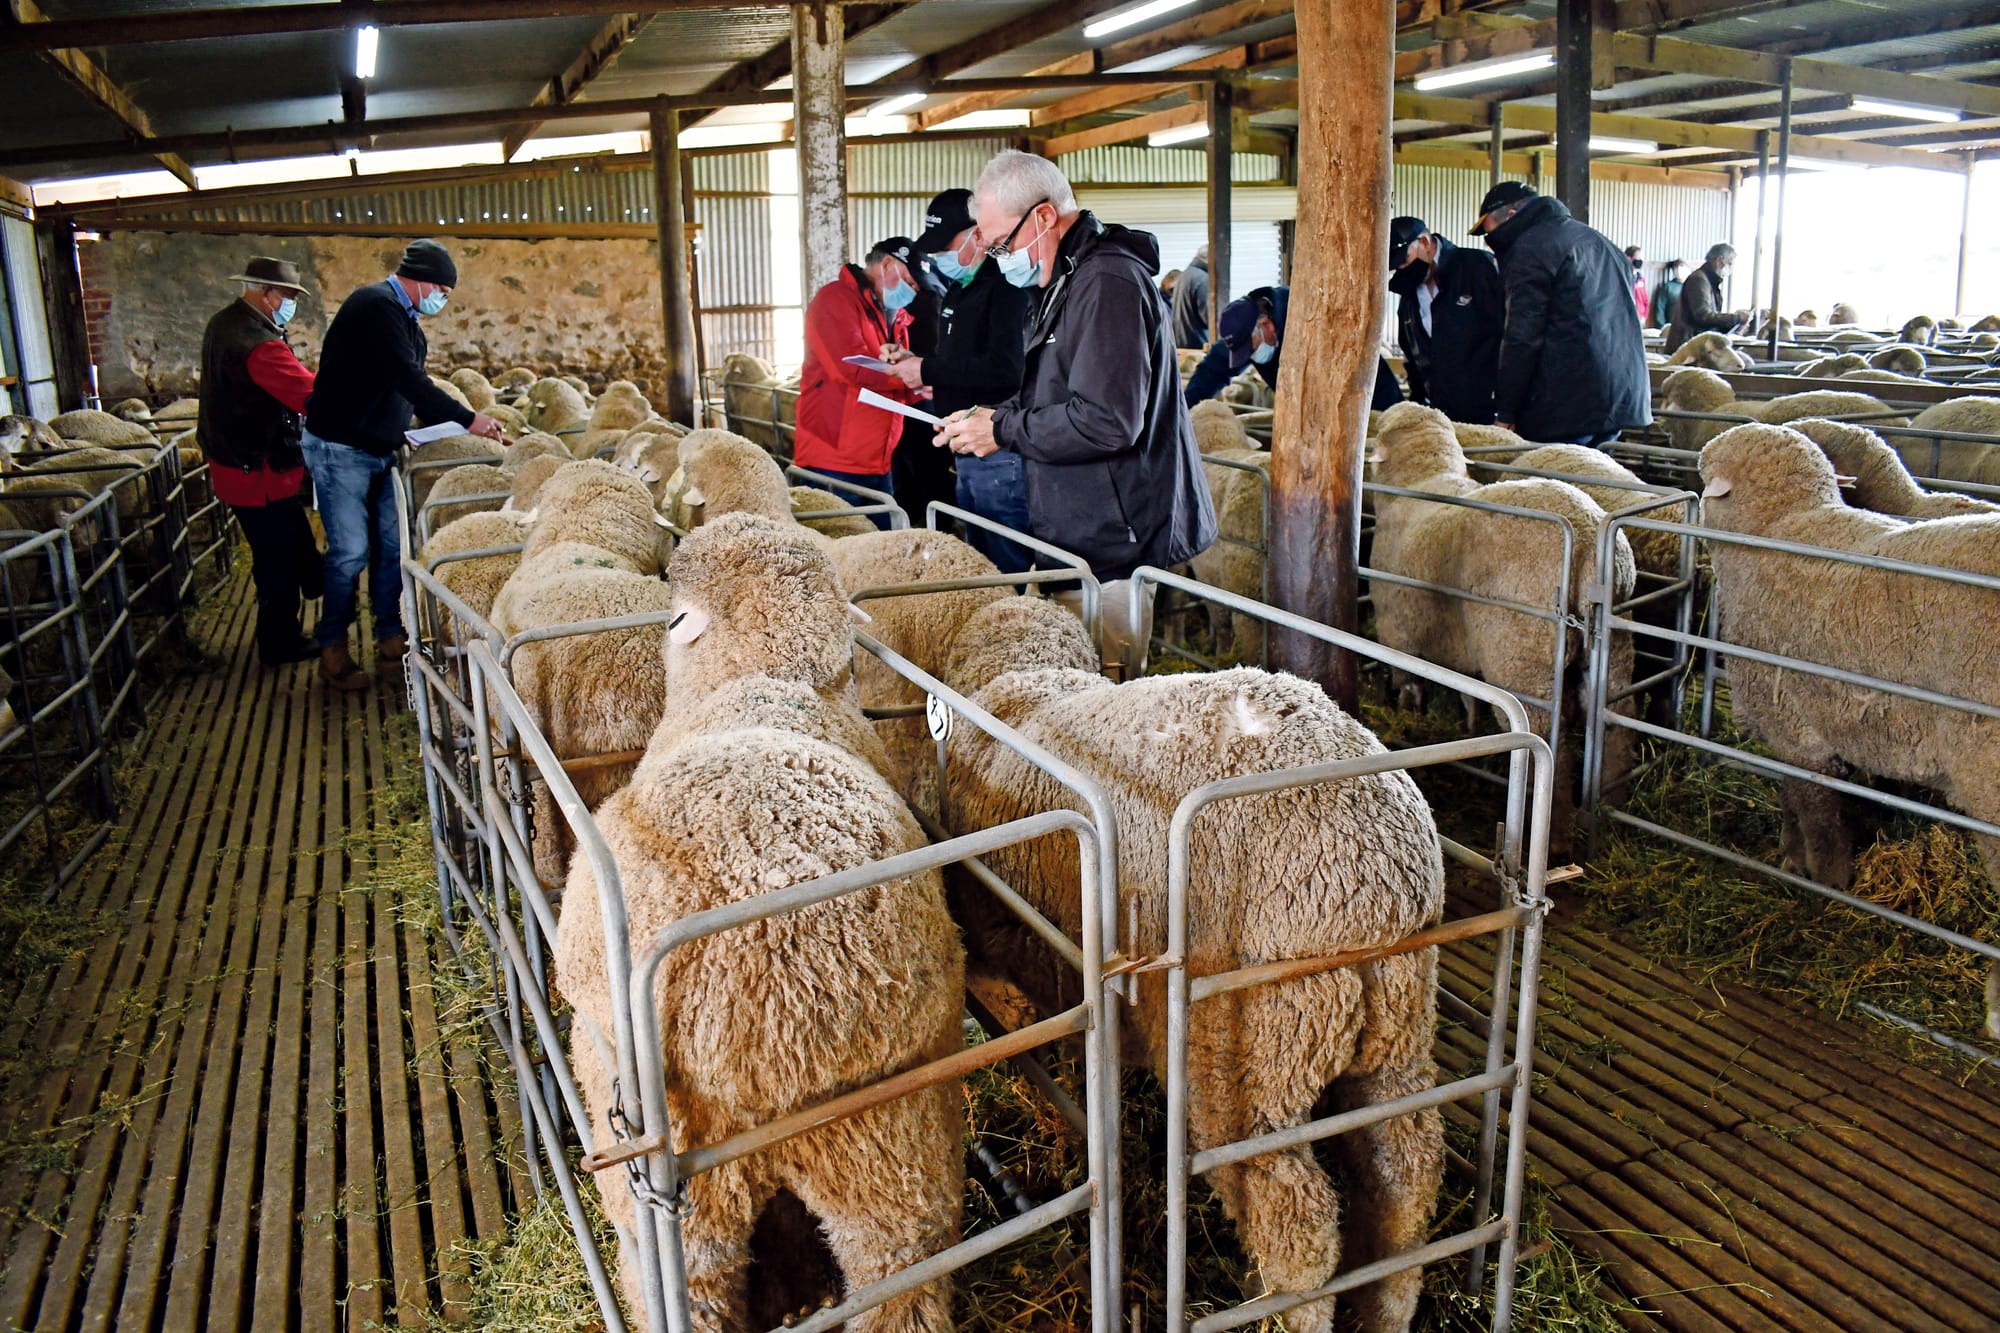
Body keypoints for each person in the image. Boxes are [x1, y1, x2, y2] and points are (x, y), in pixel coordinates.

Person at [935, 151, 1216, 675]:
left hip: (1115, 544)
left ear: (1043, 218)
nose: (999, 258)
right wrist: (992, 415)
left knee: (1105, 698)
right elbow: (1059, 390)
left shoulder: (1106, 284)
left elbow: (1107, 419)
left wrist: (1002, 429)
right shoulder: (1065, 280)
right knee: (1075, 688)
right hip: (1080, 533)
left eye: (1001, 243)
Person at [304, 239, 504, 691]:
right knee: (351, 551)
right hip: (340, 448)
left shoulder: (406, 321)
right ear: (422, 281)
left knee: (393, 547)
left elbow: (408, 388)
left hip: (381, 449)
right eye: (443, 292)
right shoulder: (375, 306)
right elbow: (408, 378)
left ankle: (390, 635)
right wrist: (469, 417)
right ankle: (332, 646)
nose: (443, 301)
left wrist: (458, 427)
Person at [893, 188, 1035, 571]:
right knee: (979, 559)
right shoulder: (960, 286)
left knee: (1003, 563)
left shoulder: (1007, 288)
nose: (940, 256)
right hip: (965, 445)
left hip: (997, 449)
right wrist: (922, 367)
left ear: (977, 234)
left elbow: (1007, 369)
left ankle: (1011, 627)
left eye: (947, 244)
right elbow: (962, 360)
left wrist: (928, 369)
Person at [196, 255, 324, 667]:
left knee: (294, 545)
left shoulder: (225, 322)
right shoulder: (257, 343)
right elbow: (306, 393)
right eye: (286, 295)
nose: (291, 303)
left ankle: (312, 592)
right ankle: (279, 641)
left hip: (238, 462)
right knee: (276, 559)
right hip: (256, 470)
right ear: (264, 293)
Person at [1470, 181, 1650, 447]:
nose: (1491, 244)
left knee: (1558, 483)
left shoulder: (1530, 250)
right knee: (1599, 483)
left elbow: (1522, 337)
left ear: (1510, 217)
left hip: (1565, 405)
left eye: (1491, 233)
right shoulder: (1600, 241)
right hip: (1621, 396)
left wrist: (1506, 410)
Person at [794, 237, 921, 525]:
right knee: (836, 547)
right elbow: (850, 368)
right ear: (887, 264)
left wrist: (923, 382)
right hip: (833, 460)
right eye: (911, 283)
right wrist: (913, 374)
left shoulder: (895, 315)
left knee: (878, 556)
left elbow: (896, 376)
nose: (913, 292)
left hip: (878, 459)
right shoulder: (835, 300)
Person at [1183, 284, 1404, 412]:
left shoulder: (1310, 321)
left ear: (1266, 325)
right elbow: (1211, 371)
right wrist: (1184, 411)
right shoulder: (1244, 329)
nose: (1250, 355)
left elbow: (1350, 374)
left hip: (1366, 399)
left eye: (1251, 349)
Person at [873, 236, 958, 529]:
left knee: (926, 474)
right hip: (915, 399)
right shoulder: (934, 288)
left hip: (922, 401)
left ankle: (936, 529)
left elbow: (932, 350)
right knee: (924, 475)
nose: (913, 288)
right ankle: (934, 527)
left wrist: (919, 369)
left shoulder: (926, 297)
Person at [1388, 215, 1504, 424]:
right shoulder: (1409, 297)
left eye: (1404, 260)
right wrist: (1418, 402)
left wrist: (1507, 407)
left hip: (1488, 412)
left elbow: (1509, 334)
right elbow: (1412, 353)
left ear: (1424, 242)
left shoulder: (1478, 268)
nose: (1402, 270)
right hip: (1441, 414)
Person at [1664, 243, 1745, 353]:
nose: (1730, 268)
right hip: (1689, 347)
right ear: (1720, 260)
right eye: (1729, 263)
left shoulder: (1707, 281)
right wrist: (1735, 319)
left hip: (1693, 344)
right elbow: (1702, 315)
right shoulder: (1699, 280)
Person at [1170, 244, 1211, 350]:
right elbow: (1209, 318)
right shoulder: (1202, 279)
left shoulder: (1185, 275)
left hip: (1181, 345)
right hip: (1197, 345)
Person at [1655, 260, 1685, 332]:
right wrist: (1662, 327)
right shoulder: (1668, 286)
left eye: (1681, 268)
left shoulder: (1692, 285)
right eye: (1676, 269)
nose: (1678, 272)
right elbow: (1660, 308)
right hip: (1672, 325)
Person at [1625, 245, 1650, 325]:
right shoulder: (1623, 277)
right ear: (1629, 258)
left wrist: (1644, 316)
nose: (1641, 261)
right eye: (1639, 258)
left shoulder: (1641, 279)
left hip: (1640, 318)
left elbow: (1645, 299)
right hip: (1627, 318)